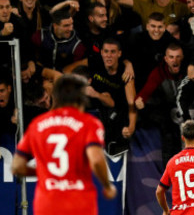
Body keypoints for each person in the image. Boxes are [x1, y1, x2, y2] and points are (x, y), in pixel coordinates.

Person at [11, 74, 117, 215]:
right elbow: (97, 159)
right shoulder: (88, 123)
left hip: (46, 205)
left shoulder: (37, 125)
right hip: (79, 203)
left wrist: (43, 173)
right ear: (81, 98)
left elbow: (17, 167)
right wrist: (107, 186)